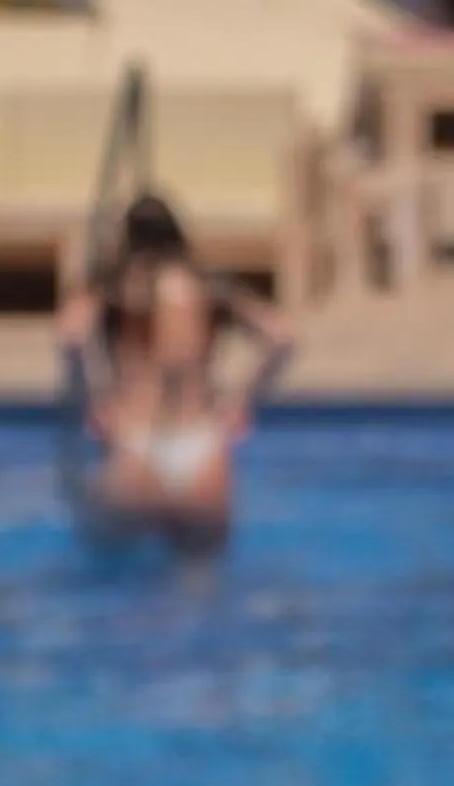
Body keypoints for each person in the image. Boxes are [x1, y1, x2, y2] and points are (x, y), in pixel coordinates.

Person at [56, 193, 293, 548]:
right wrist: (242, 401)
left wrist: (96, 397)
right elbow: (283, 337)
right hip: (204, 446)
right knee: (198, 575)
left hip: (135, 440)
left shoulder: (114, 286)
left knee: (113, 568)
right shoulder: (211, 284)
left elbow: (71, 338)